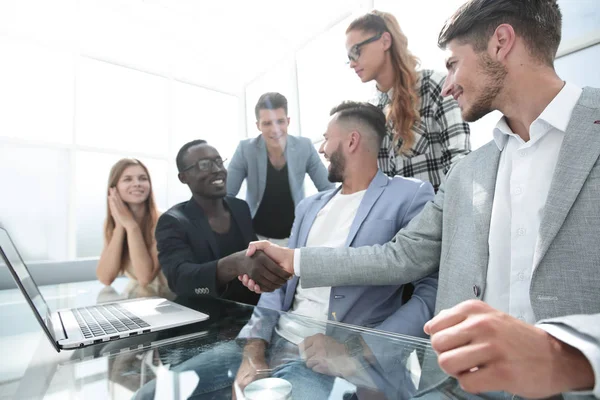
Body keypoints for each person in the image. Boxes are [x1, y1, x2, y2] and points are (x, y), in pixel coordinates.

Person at [244, 1, 600, 398]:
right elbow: (400, 255)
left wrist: (570, 356)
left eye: (453, 64)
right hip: (454, 388)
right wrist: (294, 259)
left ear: (501, 42)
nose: (448, 85)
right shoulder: (468, 175)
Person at [135, 101, 437, 400]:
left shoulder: (409, 196)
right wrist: (254, 347)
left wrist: (356, 350)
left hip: (332, 361)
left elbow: (428, 292)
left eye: (326, 138)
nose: (321, 149)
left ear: (352, 140)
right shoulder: (309, 207)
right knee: (150, 395)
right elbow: (279, 285)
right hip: (271, 341)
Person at [345, 10, 471, 192]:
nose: (352, 63)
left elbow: (460, 163)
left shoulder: (437, 87)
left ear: (385, 41)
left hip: (439, 216)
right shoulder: (370, 113)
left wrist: (433, 218)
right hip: (393, 221)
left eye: (356, 51)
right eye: (348, 58)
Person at [156, 140, 291, 306]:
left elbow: (253, 258)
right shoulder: (173, 221)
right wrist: (234, 264)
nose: (218, 170)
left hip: (250, 312)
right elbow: (180, 280)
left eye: (219, 162)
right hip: (204, 315)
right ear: (183, 177)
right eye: (204, 165)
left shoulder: (240, 207)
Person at [227, 92, 335, 245]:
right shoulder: (245, 149)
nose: (275, 130)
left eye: (280, 121)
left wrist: (315, 221)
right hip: (255, 236)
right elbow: (227, 195)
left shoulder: (304, 146)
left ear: (288, 121)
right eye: (267, 123)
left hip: (294, 236)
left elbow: (328, 189)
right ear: (258, 125)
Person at [96, 158, 173, 299]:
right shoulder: (112, 224)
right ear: (113, 189)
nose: (137, 183)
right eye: (128, 179)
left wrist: (131, 227)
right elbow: (105, 278)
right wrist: (120, 227)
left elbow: (145, 277)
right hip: (138, 297)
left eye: (143, 178)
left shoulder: (165, 221)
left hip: (168, 300)